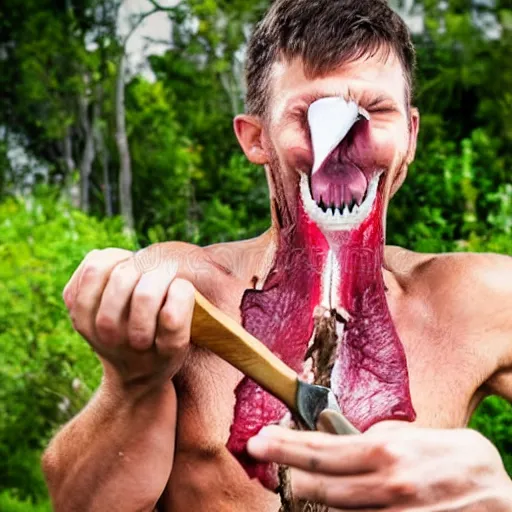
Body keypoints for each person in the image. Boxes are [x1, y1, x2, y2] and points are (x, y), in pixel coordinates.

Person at [42, 0, 512, 510]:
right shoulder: (189, 298)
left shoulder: (481, 300)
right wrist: (131, 383)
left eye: (374, 112)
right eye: (311, 114)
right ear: (256, 138)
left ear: (411, 135)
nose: (343, 145)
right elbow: (78, 504)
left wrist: (501, 497)